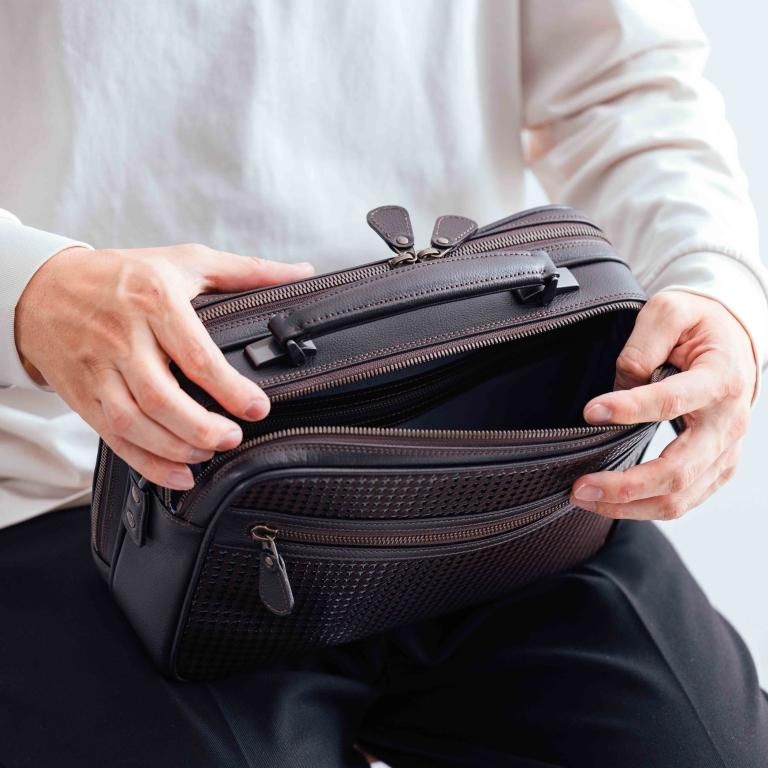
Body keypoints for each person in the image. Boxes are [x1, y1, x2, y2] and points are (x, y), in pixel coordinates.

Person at [1, 1, 767, 766]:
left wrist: (715, 288)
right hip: (90, 477)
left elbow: (623, 82)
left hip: (509, 466)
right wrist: (28, 287)